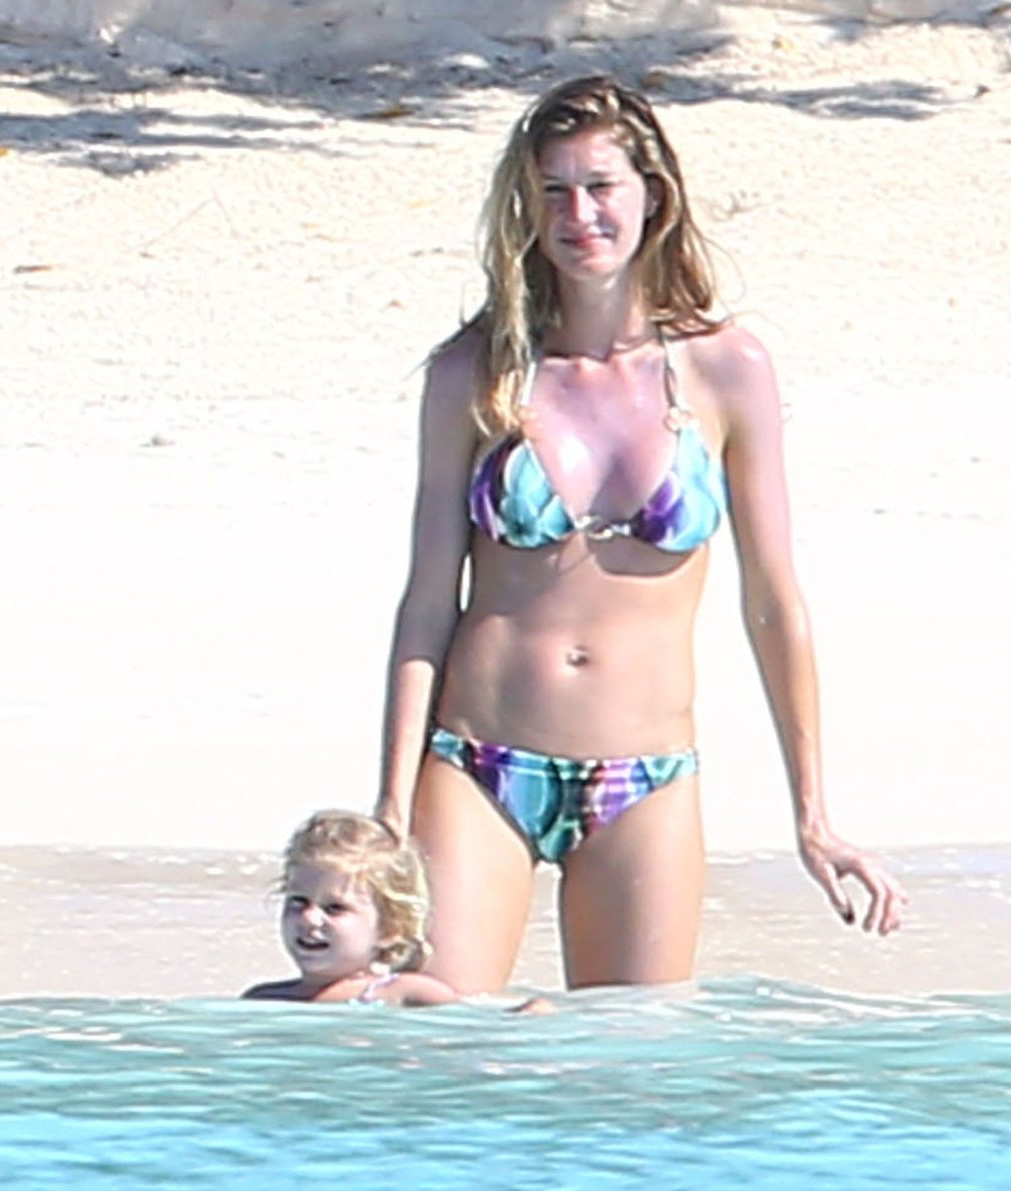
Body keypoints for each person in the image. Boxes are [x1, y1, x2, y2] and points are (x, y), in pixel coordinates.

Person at [374, 75, 905, 993]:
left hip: (645, 777)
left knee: (632, 1062)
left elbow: (774, 602)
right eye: (553, 191)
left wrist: (813, 815)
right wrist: (389, 799)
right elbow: (428, 601)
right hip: (477, 764)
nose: (579, 215)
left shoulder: (726, 369)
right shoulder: (476, 371)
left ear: (652, 195)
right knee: (440, 1043)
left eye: (600, 187)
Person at [242, 809, 463, 1006]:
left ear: (390, 929)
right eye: (299, 901)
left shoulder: (405, 994)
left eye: (334, 908)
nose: (309, 917)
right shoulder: (264, 999)